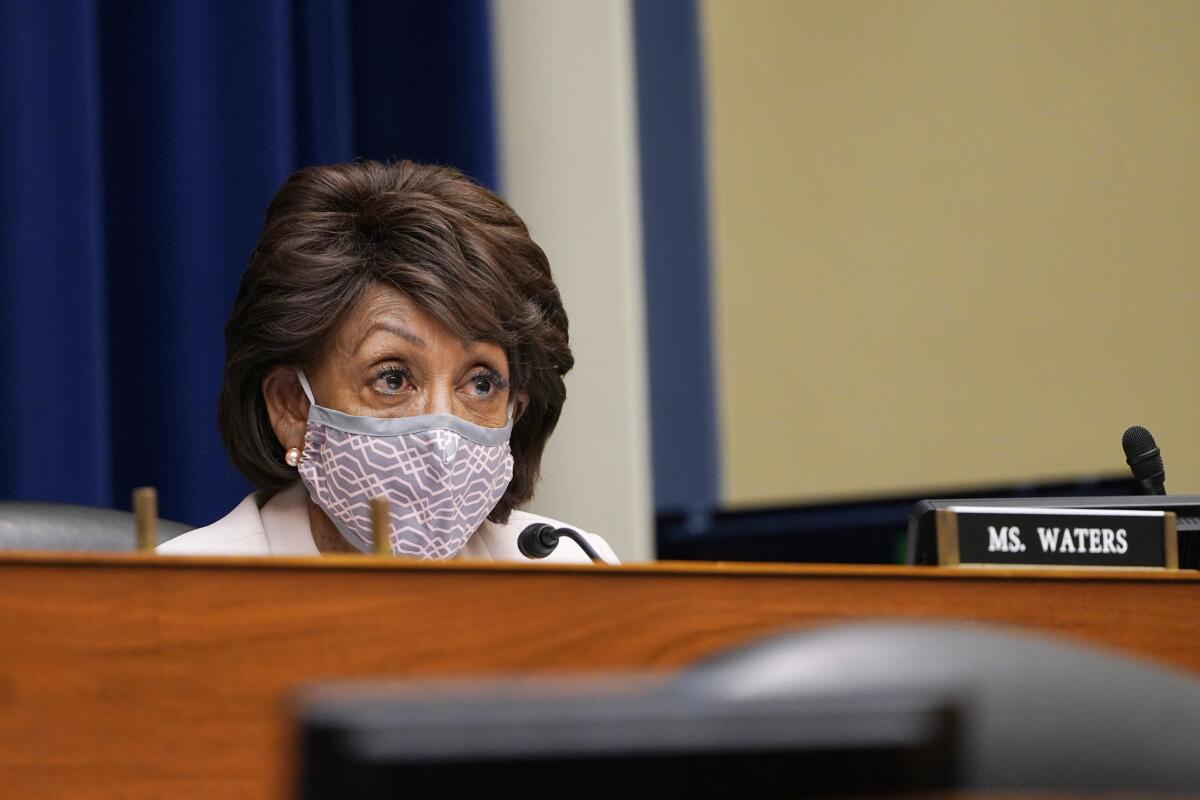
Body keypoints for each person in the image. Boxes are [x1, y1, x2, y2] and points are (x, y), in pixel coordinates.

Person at [159, 161, 617, 564]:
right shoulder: (183, 591)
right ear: (292, 406)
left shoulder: (570, 569)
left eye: (480, 384)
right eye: (393, 379)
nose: (442, 437)